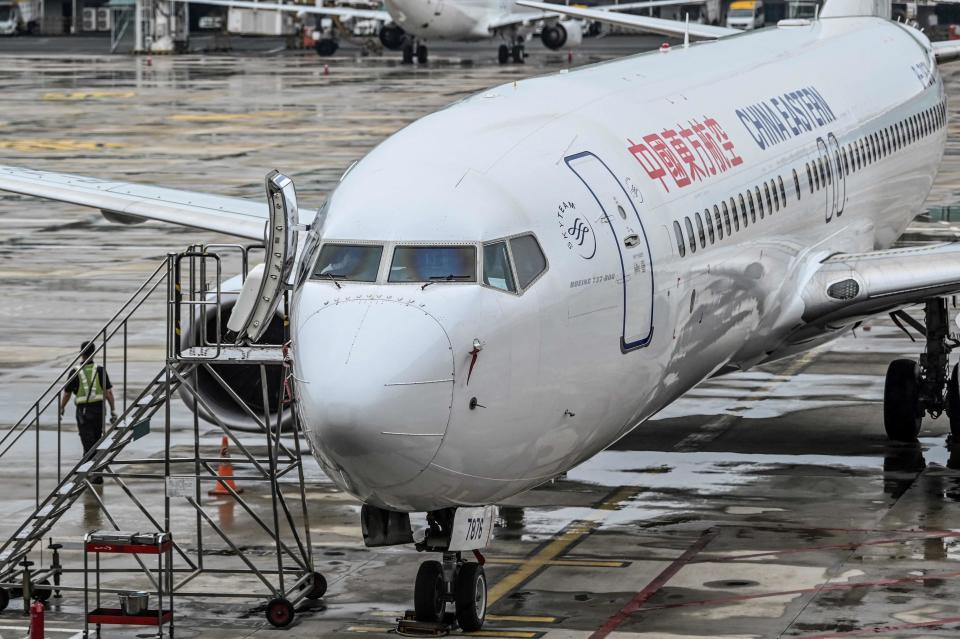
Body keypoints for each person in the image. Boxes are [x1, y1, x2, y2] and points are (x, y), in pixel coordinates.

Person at [60, 342, 117, 482]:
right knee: (97, 440)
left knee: (87, 442)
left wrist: (62, 408)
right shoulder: (100, 370)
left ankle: (92, 474)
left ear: (81, 353)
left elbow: (67, 393)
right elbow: (108, 392)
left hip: (83, 411)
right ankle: (95, 474)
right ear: (94, 352)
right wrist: (113, 410)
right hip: (99, 409)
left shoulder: (75, 371)